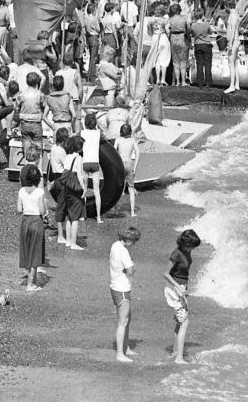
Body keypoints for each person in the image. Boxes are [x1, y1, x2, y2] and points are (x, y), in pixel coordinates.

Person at [163, 229, 201, 364]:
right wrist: (179, 288)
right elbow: (166, 274)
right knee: (184, 321)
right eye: (191, 246)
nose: (192, 249)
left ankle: (175, 352)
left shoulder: (187, 251)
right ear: (185, 243)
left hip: (182, 288)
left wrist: (184, 288)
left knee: (180, 321)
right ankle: (179, 358)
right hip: (175, 289)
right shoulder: (177, 253)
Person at [109, 227, 140, 363]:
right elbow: (130, 271)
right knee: (123, 321)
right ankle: (120, 353)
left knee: (127, 318)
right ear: (128, 239)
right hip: (121, 288)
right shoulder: (123, 251)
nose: (134, 244)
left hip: (116, 286)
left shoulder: (115, 245)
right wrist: (133, 266)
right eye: (133, 241)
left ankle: (126, 348)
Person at [16, 165, 47, 293]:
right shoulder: (40, 192)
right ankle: (30, 285)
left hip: (25, 221)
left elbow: (18, 210)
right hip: (36, 221)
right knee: (35, 253)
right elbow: (42, 211)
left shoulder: (21, 191)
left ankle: (31, 280)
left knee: (27, 250)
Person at [115, 123, 139, 217]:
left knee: (117, 189)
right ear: (130, 132)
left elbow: (113, 151)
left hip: (120, 164)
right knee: (131, 188)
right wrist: (135, 166)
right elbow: (137, 153)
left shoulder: (118, 139)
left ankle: (116, 209)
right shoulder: (133, 140)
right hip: (129, 164)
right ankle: (132, 212)